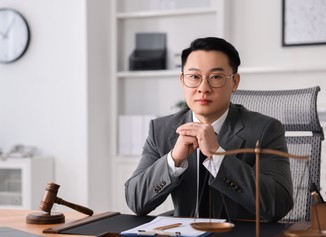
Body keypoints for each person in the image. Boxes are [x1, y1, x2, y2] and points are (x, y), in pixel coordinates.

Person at [124, 37, 293, 222]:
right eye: (194, 77)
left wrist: (218, 156)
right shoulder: (161, 130)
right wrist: (173, 160)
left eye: (216, 77)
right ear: (182, 81)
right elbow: (135, 201)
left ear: (235, 82)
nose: (203, 88)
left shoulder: (265, 130)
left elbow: (279, 204)